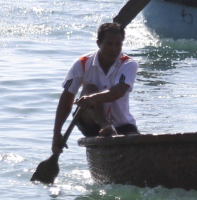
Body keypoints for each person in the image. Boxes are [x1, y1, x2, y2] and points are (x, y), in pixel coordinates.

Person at [51, 22, 139, 154]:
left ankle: (110, 131)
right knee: (90, 88)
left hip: (122, 122)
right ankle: (106, 127)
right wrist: (57, 133)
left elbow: (119, 91)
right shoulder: (82, 63)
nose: (114, 49)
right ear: (99, 43)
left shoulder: (128, 64)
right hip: (90, 122)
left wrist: (93, 99)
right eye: (109, 44)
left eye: (118, 44)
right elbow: (66, 99)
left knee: (138, 147)